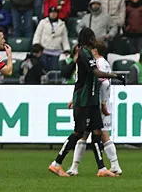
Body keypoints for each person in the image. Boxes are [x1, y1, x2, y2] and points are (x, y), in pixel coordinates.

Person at [48, 28, 123, 178]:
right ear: (88, 38)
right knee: (79, 132)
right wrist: (115, 75)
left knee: (97, 131)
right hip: (84, 100)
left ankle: (102, 168)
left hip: (92, 100)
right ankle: (56, 163)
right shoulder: (84, 53)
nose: (94, 39)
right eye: (92, 37)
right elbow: (96, 72)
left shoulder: (86, 53)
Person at [65, 41, 123, 176]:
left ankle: (75, 167)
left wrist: (102, 102)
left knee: (87, 134)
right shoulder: (104, 62)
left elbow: (103, 84)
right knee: (98, 134)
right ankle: (114, 165)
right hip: (97, 102)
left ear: (95, 51)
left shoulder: (99, 63)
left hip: (95, 103)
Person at [33, 6, 70, 72]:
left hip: (56, 51)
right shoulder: (43, 22)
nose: (53, 14)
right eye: (51, 13)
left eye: (55, 13)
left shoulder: (62, 24)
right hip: (44, 50)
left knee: (54, 71)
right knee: (43, 70)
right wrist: (36, 44)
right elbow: (37, 34)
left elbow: (65, 38)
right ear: (49, 13)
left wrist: (66, 49)